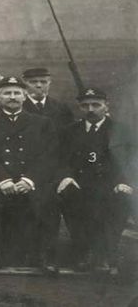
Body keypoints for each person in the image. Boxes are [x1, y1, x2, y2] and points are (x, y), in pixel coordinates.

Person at [0, 76, 59, 276]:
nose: (12, 97)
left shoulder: (42, 123)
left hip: (30, 180)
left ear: (25, 96)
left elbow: (49, 156)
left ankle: (45, 255)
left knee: (47, 199)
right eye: (7, 93)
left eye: (16, 93)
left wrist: (30, 180)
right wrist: (2, 180)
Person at [56, 88, 136, 272]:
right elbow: (60, 159)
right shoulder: (69, 131)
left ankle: (107, 253)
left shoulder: (122, 130)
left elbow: (132, 160)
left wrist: (124, 181)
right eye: (85, 105)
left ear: (106, 106)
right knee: (71, 199)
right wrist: (66, 177)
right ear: (79, 108)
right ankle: (83, 250)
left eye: (96, 105)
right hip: (79, 183)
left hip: (112, 183)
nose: (90, 109)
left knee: (120, 201)